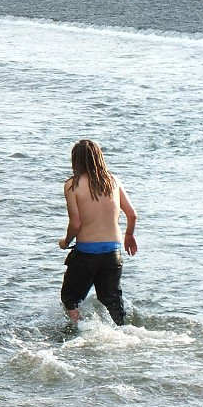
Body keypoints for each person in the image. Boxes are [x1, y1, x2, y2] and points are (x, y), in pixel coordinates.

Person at [58, 139, 138, 326]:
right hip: (113, 253)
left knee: (69, 299)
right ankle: (121, 332)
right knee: (113, 303)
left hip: (86, 254)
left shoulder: (72, 185)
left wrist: (65, 242)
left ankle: (83, 330)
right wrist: (129, 235)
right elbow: (132, 214)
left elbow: (76, 223)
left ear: (75, 160)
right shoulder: (113, 181)